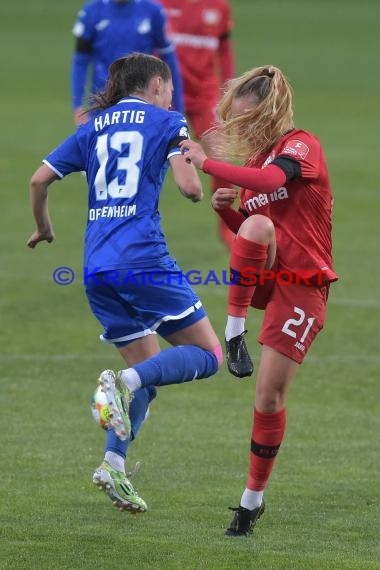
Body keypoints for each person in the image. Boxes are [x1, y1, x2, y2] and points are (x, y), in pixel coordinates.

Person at [27, 53, 222, 514]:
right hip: (143, 259)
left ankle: (113, 463)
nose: (172, 95)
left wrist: (45, 228)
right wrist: (196, 162)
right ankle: (121, 381)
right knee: (210, 356)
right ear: (157, 84)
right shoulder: (167, 120)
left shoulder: (93, 126)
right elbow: (191, 188)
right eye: (170, 87)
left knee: (148, 376)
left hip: (96, 268)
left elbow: (39, 180)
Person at [180, 64, 338, 536]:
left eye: (249, 120)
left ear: (270, 113)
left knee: (268, 397)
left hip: (303, 283)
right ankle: (234, 334)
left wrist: (205, 162)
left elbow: (273, 185)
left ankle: (251, 502)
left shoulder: (300, 145)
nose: (242, 129)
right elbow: (245, 238)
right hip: (268, 276)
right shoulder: (252, 169)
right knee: (253, 225)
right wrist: (228, 211)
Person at [159, 0, 236, 249]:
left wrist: (228, 90)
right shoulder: (159, 5)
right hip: (167, 95)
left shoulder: (219, 7)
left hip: (205, 95)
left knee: (221, 158)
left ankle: (228, 227)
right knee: (151, 158)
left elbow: (224, 49)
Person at [71, 0, 184, 125]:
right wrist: (78, 106)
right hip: (104, 100)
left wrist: (178, 107)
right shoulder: (91, 11)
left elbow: (169, 58)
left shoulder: (154, 11)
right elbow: (80, 61)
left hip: (144, 100)